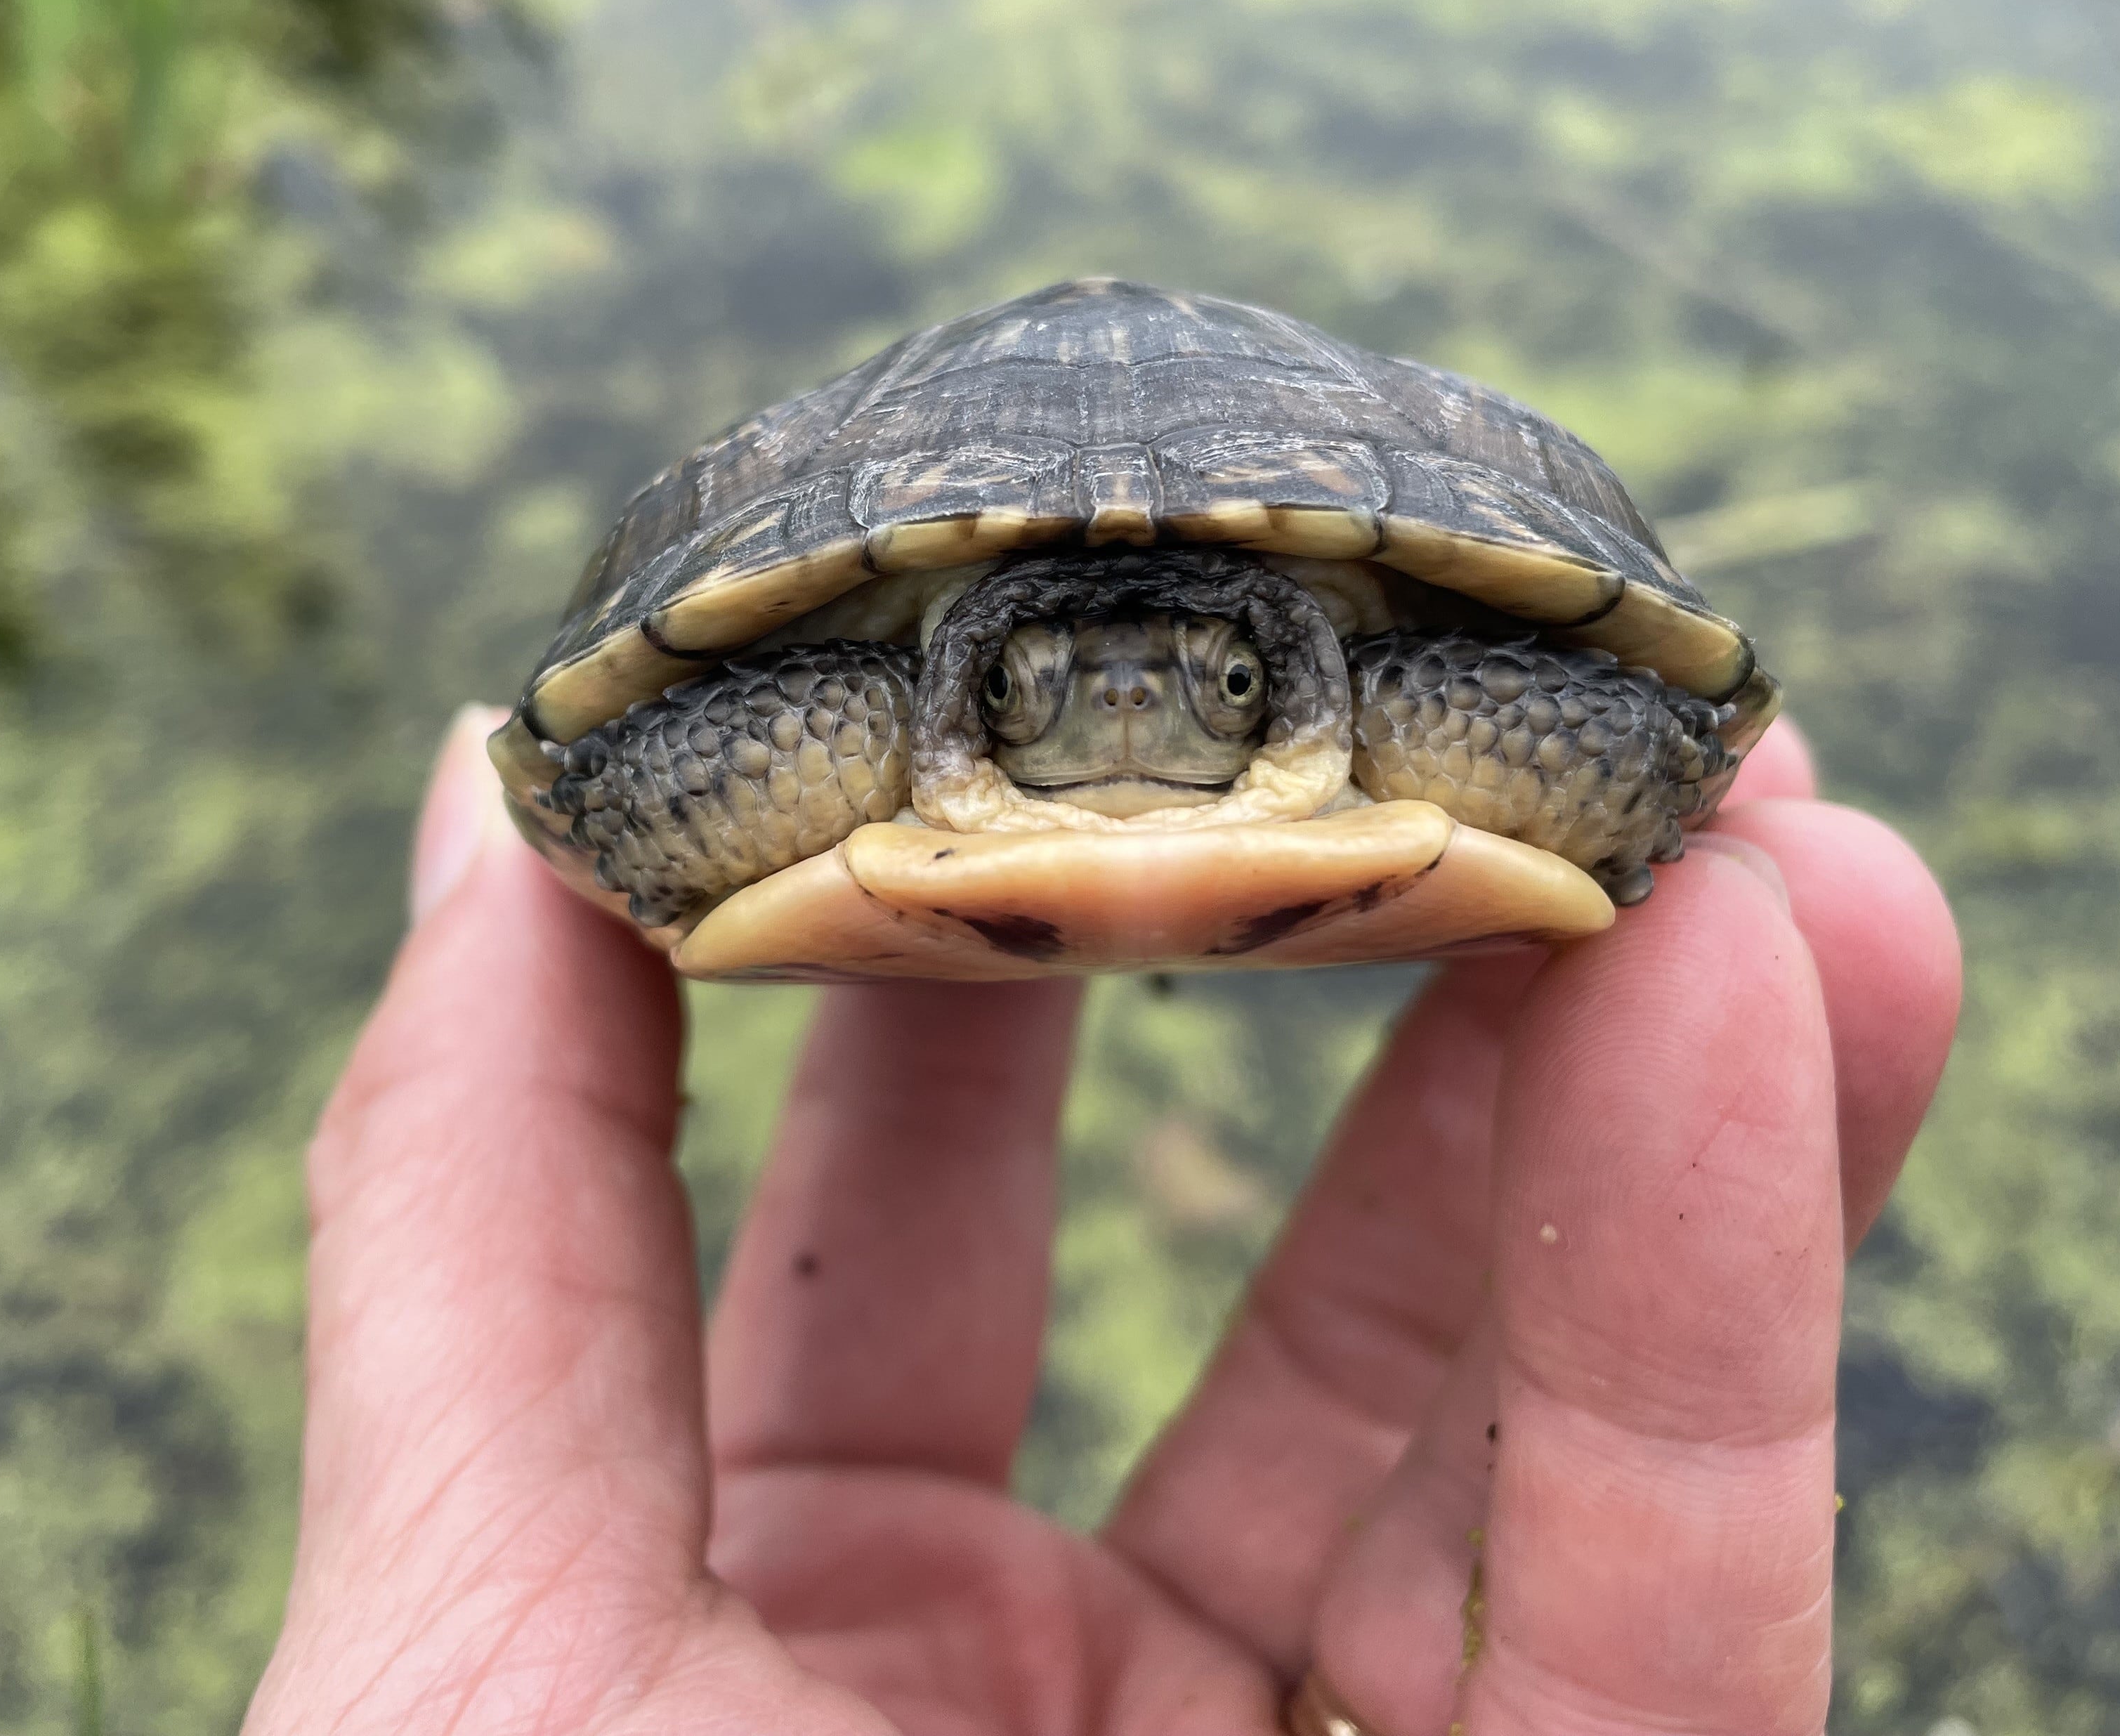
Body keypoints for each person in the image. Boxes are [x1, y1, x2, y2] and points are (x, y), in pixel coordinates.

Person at [245, 706, 1961, 1736]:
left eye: (1222, 684)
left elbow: (1643, 724)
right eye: (1041, 687)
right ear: (970, 689)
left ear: (1285, 681)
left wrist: (1619, 750)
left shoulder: (1393, 719)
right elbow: (608, 781)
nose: (1129, 718)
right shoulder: (856, 737)